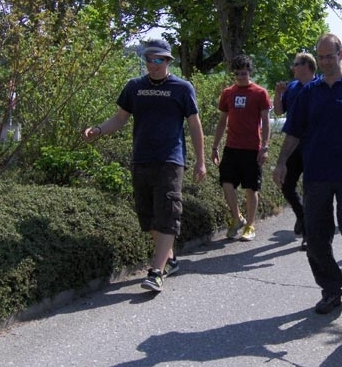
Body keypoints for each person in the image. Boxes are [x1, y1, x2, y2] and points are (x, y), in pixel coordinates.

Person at [273, 33, 342, 315]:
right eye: (320, 57)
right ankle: (331, 289)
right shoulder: (309, 92)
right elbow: (293, 131)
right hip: (317, 174)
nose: (325, 62)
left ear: (340, 55)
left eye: (329, 56)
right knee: (316, 237)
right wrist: (281, 162)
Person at [83, 39, 206, 292]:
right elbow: (120, 118)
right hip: (141, 159)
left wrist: (201, 161)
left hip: (170, 160)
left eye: (158, 59)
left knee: (168, 214)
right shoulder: (134, 87)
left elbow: (195, 125)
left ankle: (156, 272)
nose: (153, 64)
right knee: (148, 217)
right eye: (149, 59)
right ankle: (170, 260)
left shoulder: (182, 88)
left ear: (168, 61)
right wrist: (98, 130)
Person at [212, 54, 271, 242]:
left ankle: (250, 225)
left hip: (252, 148)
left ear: (249, 72)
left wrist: (265, 146)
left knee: (251, 188)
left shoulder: (260, 93)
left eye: (243, 74)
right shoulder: (228, 93)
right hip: (231, 147)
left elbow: (266, 121)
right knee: (226, 183)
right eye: (237, 74)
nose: (240, 77)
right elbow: (222, 122)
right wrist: (215, 146)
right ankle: (237, 217)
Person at [273, 52, 317, 248]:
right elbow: (278, 111)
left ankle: (308, 234)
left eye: (296, 64)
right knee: (286, 184)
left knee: (310, 189)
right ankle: (302, 216)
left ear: (307, 66)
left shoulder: (319, 87)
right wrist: (278, 94)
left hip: (313, 145)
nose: (293, 67)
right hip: (293, 144)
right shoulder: (292, 87)